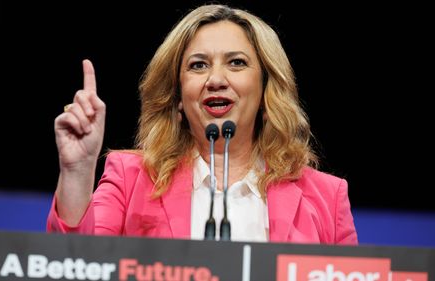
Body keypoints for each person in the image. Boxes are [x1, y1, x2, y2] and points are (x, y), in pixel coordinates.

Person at [47, 4, 358, 244]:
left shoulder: (326, 197)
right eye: (198, 65)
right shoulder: (131, 179)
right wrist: (78, 170)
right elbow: (77, 265)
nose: (216, 80)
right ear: (178, 95)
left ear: (266, 89)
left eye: (237, 62)